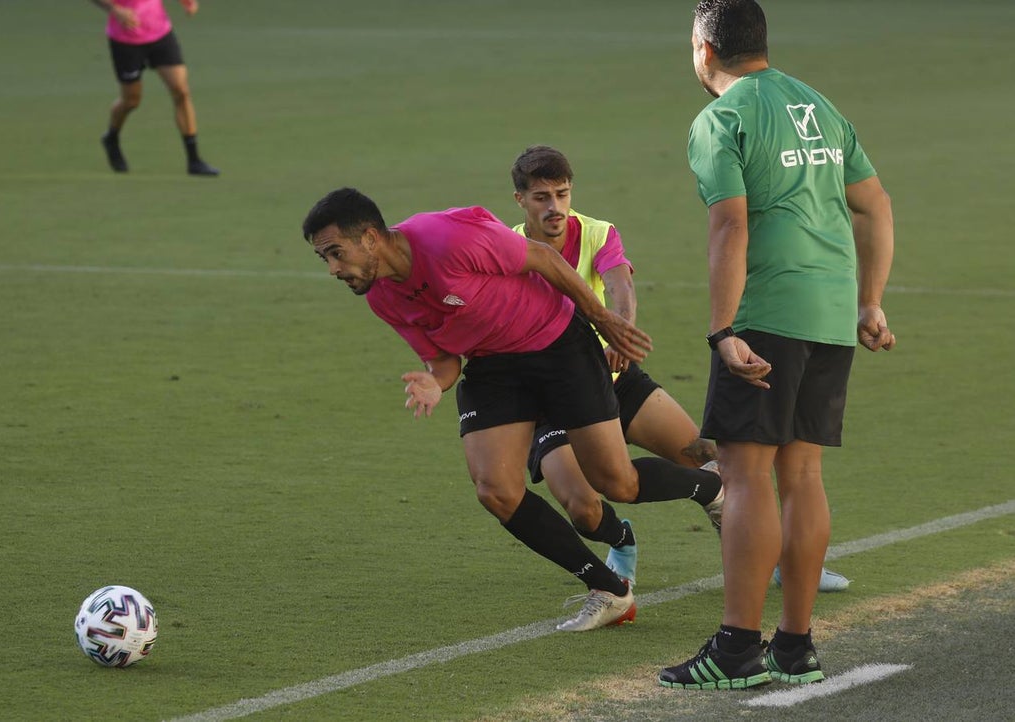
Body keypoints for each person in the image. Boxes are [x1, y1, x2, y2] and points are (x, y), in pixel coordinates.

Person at [305, 188, 676, 632]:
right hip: (492, 366)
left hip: (555, 344)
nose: (333, 269)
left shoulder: (445, 238)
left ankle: (713, 488)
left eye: (335, 253)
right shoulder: (381, 295)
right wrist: (434, 382)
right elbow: (444, 361)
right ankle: (610, 589)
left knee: (615, 482)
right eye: (324, 258)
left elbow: (540, 256)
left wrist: (602, 317)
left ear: (369, 238)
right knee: (495, 490)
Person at [659, 0, 895, 690]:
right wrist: (870, 301)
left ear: (705, 48)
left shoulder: (721, 118)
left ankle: (737, 648)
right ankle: (795, 648)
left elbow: (731, 225)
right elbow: (875, 203)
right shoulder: (818, 105)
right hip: (828, 314)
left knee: (743, 474)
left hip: (766, 312)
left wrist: (723, 329)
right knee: (803, 476)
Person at [509, 145, 723, 587]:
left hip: (613, 376)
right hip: (550, 401)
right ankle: (620, 538)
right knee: (582, 508)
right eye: (542, 197)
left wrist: (621, 331)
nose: (555, 208)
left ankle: (773, 554)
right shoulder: (507, 250)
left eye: (563, 195)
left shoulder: (597, 233)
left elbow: (619, 286)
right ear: (520, 200)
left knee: (709, 458)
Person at [90, 0, 219, 176]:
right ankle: (111, 137)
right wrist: (115, 9)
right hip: (126, 40)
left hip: (160, 34)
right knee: (131, 101)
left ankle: (194, 160)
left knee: (181, 91)